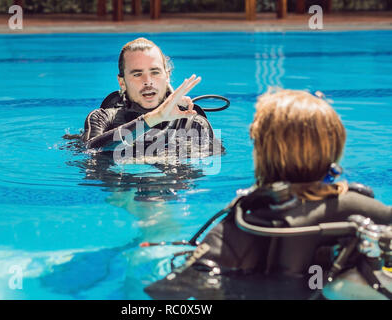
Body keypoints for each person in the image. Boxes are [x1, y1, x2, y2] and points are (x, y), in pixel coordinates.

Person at [145, 89, 392, 300]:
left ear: (262, 154)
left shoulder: (245, 224)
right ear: (334, 147)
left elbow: (165, 292)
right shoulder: (364, 209)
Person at [81, 37, 220, 158]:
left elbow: (199, 169)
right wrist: (155, 118)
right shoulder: (102, 119)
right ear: (122, 82)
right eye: (137, 74)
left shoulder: (192, 123)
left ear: (167, 77)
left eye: (155, 72)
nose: (148, 81)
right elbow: (90, 149)